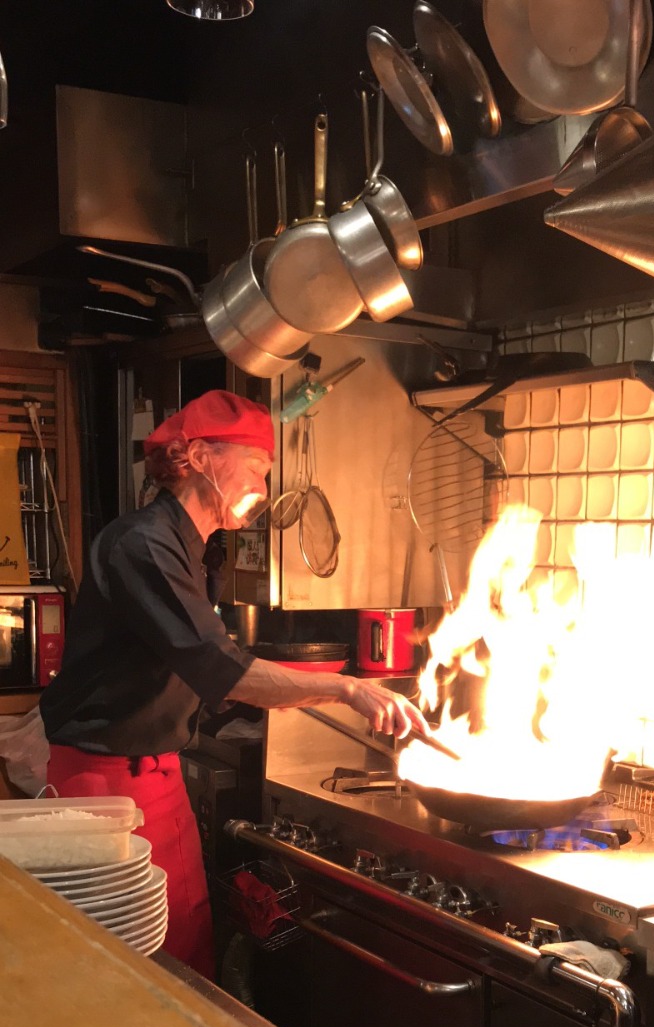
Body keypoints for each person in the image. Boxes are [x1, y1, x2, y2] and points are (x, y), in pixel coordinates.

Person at [40, 390, 426, 979]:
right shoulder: (144, 545)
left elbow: (202, 662)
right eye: (257, 469)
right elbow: (224, 669)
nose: (265, 490)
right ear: (197, 456)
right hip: (109, 786)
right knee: (134, 966)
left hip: (153, 775)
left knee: (188, 940)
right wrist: (347, 689)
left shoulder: (192, 547)